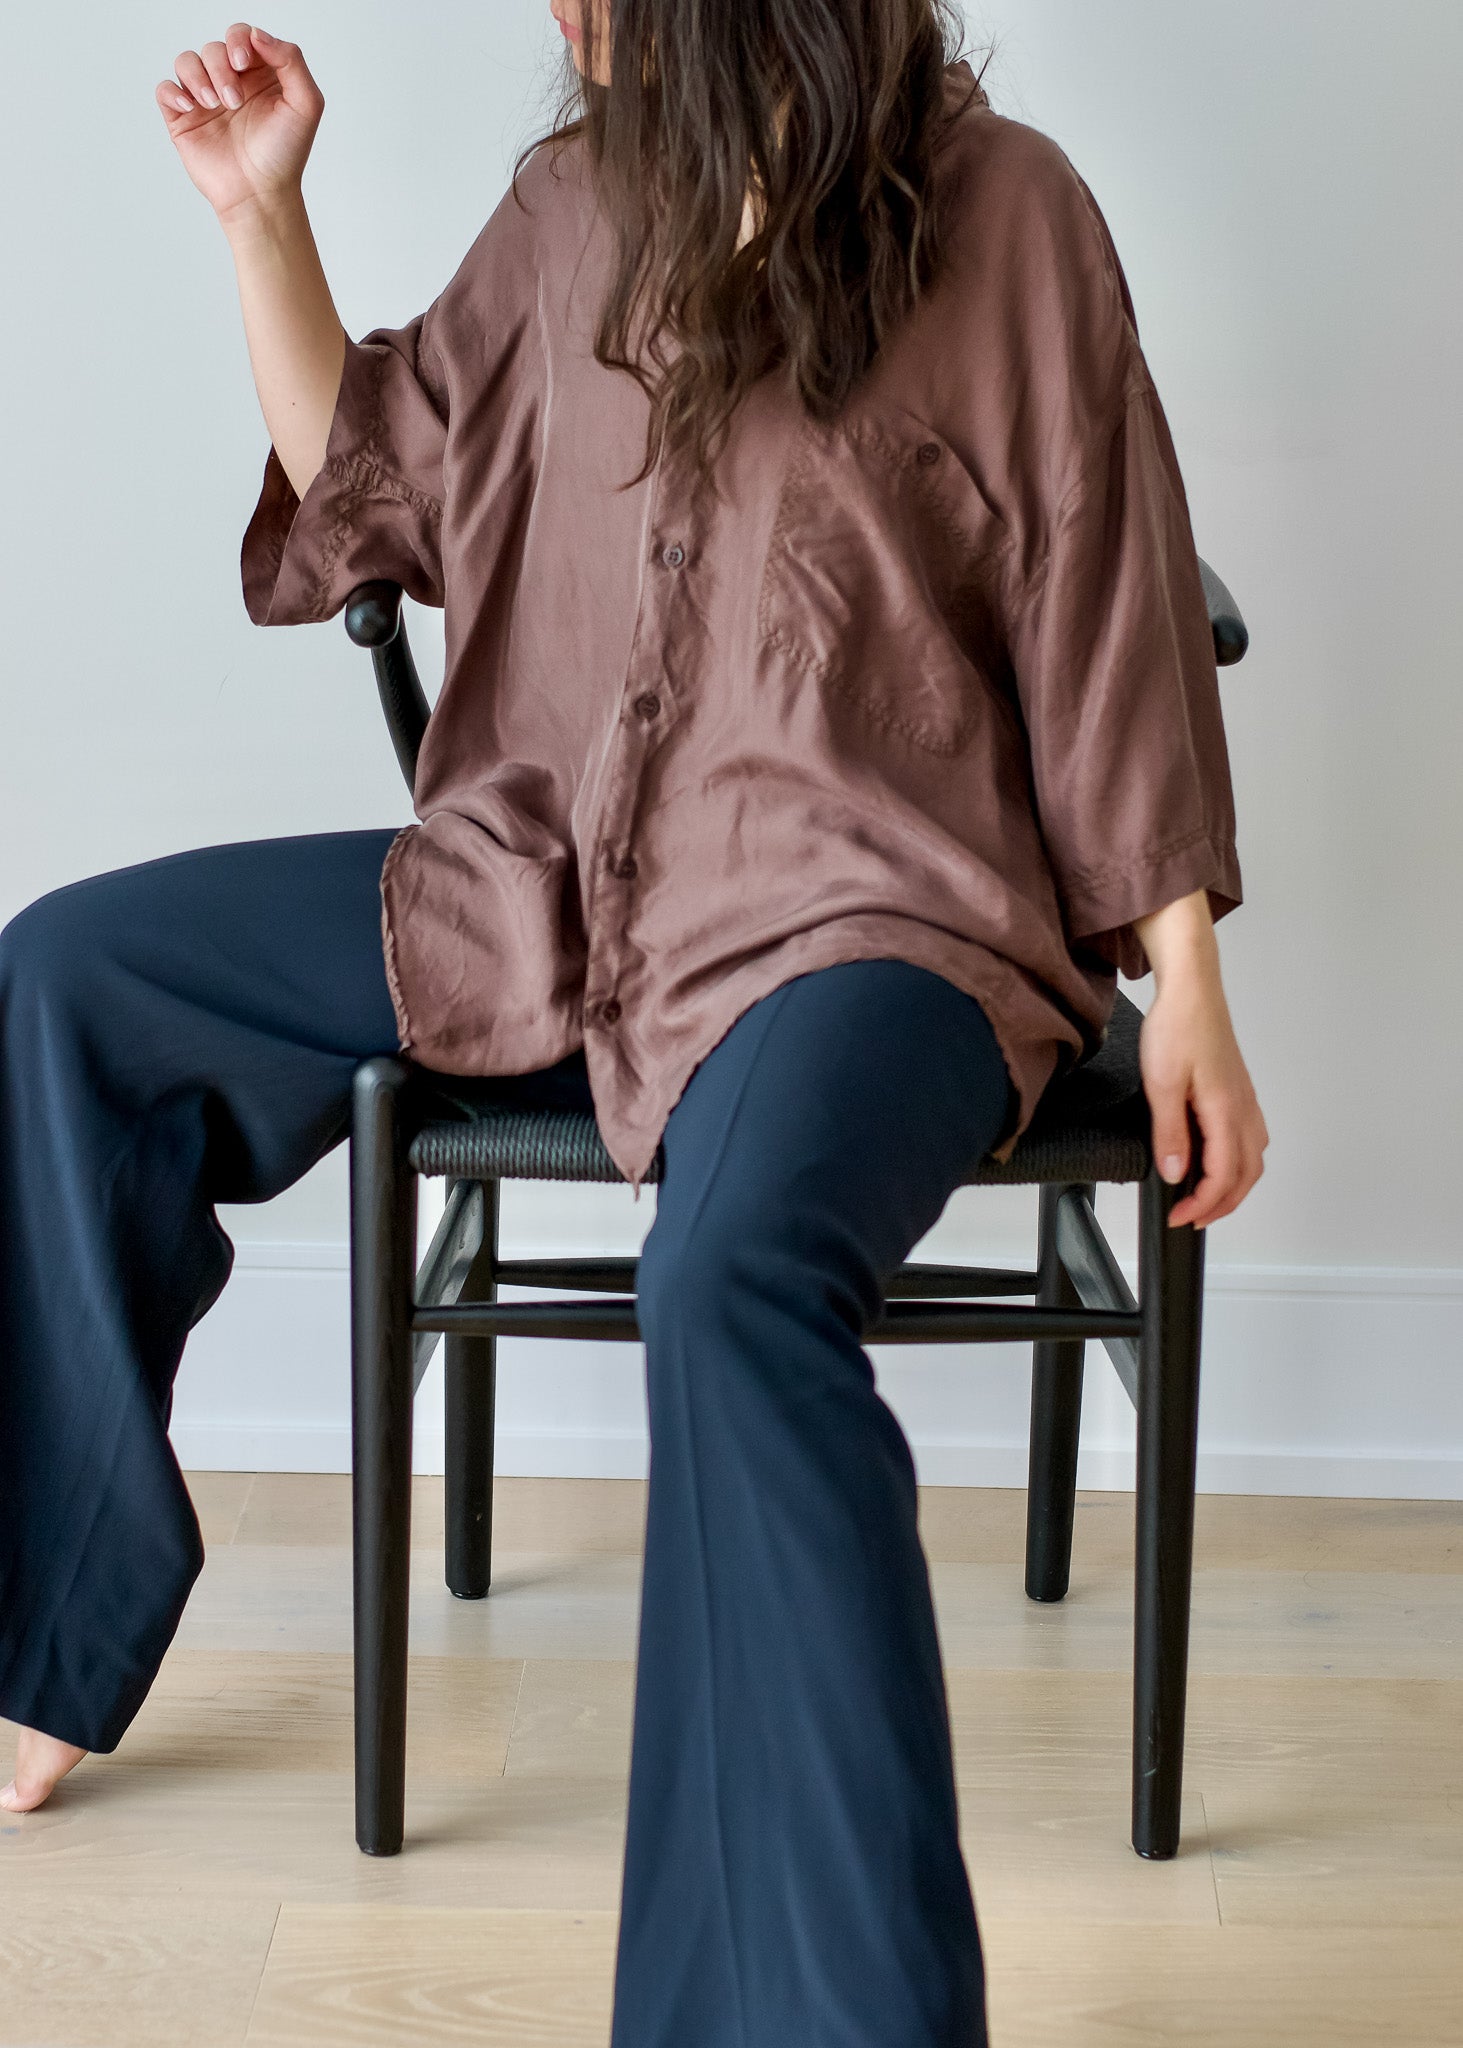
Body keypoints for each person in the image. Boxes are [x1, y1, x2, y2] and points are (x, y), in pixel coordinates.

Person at [0, 6, 1268, 2042]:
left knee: (736, 1278)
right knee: (71, 973)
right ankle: (40, 1630)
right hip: (554, 894)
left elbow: (1109, 601)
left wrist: (1189, 978)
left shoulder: (1012, 216)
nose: (565, 16)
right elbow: (370, 484)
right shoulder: (570, 210)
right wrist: (262, 222)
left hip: (876, 935)